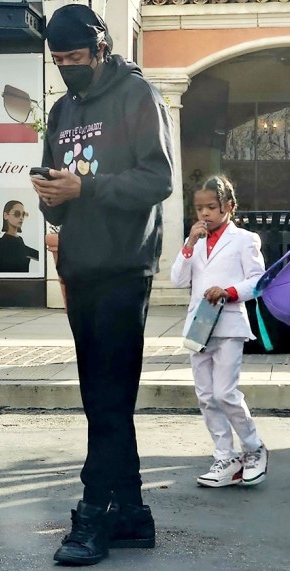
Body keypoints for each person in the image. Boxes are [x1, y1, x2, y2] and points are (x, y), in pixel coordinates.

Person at [31, 4, 175, 566]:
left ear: (100, 49)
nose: (67, 68)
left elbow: (158, 177)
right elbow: (61, 202)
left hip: (123, 266)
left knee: (108, 398)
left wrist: (84, 191)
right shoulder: (62, 109)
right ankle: (132, 514)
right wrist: (52, 201)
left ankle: (95, 513)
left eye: (74, 58)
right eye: (58, 60)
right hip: (80, 266)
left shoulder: (138, 95)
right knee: (103, 400)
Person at [171, 175, 268, 488]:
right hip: (199, 326)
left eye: (211, 207)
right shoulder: (195, 242)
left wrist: (228, 290)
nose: (205, 214)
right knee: (206, 396)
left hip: (228, 323)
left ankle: (253, 448)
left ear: (229, 206)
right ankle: (225, 457)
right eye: (199, 208)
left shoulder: (245, 240)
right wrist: (188, 244)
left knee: (225, 393)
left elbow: (258, 282)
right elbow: (176, 279)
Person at [0, 200, 39, 273]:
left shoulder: (18, 240)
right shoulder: (3, 243)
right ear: (6, 215)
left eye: (23, 214)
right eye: (17, 213)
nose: (21, 218)